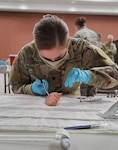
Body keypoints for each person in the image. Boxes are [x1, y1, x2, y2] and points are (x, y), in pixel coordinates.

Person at [9, 14, 118, 99]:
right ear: (36, 47)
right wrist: (31, 89)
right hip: (37, 106)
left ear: (68, 42)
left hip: (72, 105)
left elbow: (116, 74)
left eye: (59, 57)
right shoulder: (26, 53)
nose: (53, 62)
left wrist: (88, 75)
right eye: (46, 59)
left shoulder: (81, 49)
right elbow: (15, 86)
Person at [73, 17, 101, 96]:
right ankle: (91, 97)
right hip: (96, 58)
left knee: (85, 77)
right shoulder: (93, 33)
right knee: (93, 76)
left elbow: (74, 49)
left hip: (85, 58)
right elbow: (99, 46)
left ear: (77, 26)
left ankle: (84, 97)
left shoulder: (78, 34)